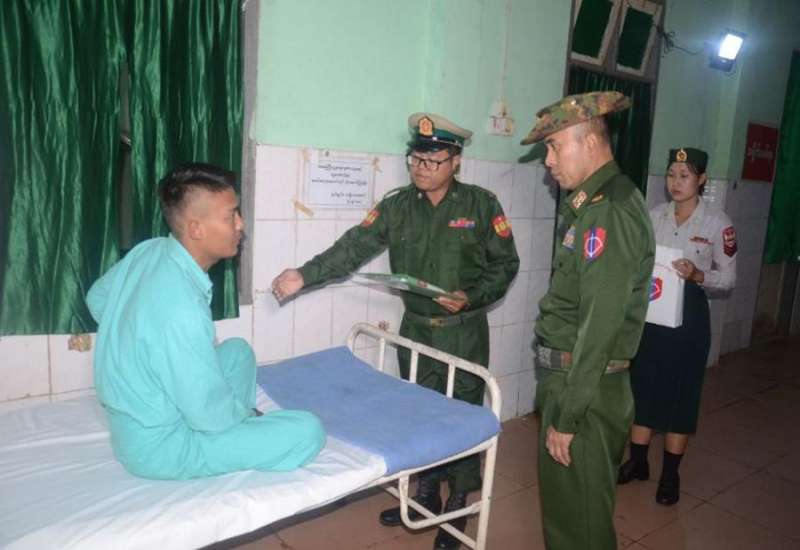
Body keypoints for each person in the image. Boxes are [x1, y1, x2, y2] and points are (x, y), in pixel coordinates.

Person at [271, 113, 519, 550]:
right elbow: (353, 247)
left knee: (460, 414)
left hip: (462, 332)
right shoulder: (397, 205)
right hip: (415, 330)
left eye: (433, 160)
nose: (421, 168)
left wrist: (472, 295)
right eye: (415, 159)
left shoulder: (481, 205)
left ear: (456, 162)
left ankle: (459, 500)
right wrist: (304, 275)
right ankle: (426, 491)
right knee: (418, 412)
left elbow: (506, 264)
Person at [87, 163, 325, 480]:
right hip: (163, 448)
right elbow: (207, 413)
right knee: (307, 430)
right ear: (196, 229)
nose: (240, 224)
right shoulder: (180, 307)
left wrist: (141, 350)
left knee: (238, 351)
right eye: (231, 216)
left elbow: (97, 299)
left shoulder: (151, 249)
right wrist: (238, 413)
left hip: (142, 421)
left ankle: (235, 428)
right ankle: (235, 433)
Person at [520, 91, 655, 550]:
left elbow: (601, 324)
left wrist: (569, 415)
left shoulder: (608, 210)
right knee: (568, 517)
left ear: (591, 142)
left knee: (581, 525)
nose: (548, 161)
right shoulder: (594, 204)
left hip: (585, 388)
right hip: (576, 379)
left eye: (555, 146)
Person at [618, 147, 737, 505]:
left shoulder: (718, 223)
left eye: (684, 176)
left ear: (702, 179)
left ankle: (670, 475)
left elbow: (728, 279)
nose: (676, 182)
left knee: (681, 395)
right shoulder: (654, 215)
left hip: (689, 315)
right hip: (653, 310)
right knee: (642, 385)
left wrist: (699, 274)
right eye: (671, 174)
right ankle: (638, 462)